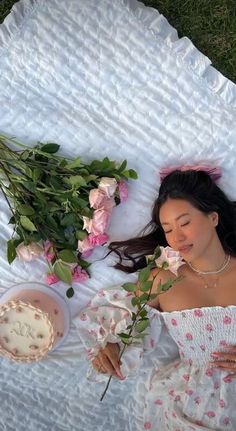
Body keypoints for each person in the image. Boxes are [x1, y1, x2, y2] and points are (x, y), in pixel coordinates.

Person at [80, 167, 236, 430]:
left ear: (213, 218)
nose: (177, 237)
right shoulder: (163, 279)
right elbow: (127, 324)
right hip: (187, 402)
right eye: (168, 229)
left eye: (185, 223)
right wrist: (110, 347)